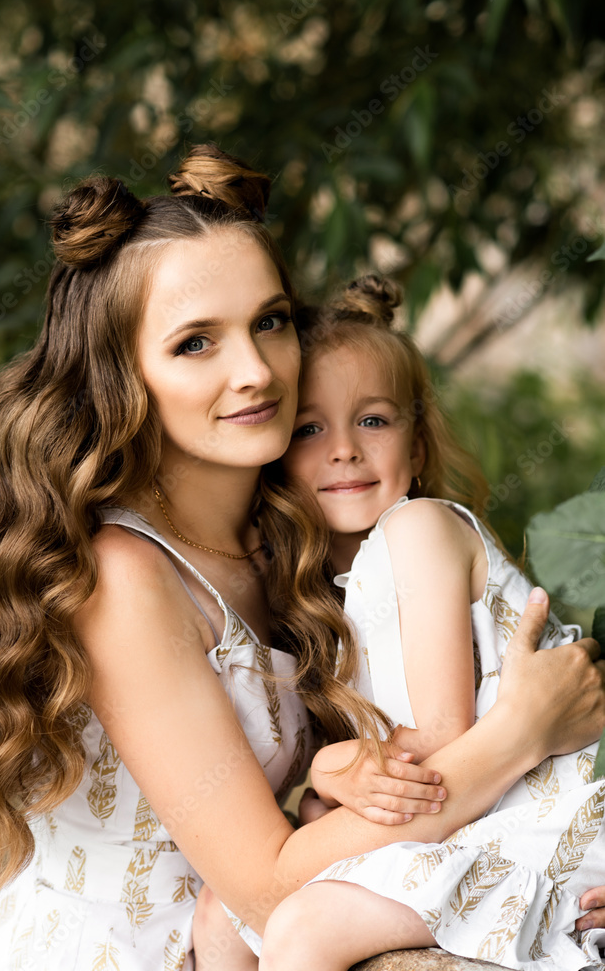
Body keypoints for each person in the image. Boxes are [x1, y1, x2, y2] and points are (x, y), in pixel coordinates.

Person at [0, 146, 603, 971]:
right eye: (194, 344)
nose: (254, 371)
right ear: (120, 375)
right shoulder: (125, 578)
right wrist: (524, 731)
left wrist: (560, 856)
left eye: (271, 321)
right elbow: (265, 883)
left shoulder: (295, 539)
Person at [256, 275, 605, 970]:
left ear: (416, 451)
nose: (346, 449)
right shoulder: (340, 596)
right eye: (309, 428)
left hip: (551, 818)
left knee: (303, 931)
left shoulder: (417, 529)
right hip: (487, 810)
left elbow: (444, 740)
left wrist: (331, 769)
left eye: (375, 420)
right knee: (224, 914)